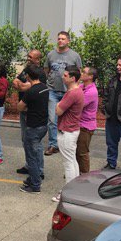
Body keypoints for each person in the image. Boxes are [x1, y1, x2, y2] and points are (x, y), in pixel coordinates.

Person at [45, 32, 82, 156]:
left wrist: (74, 88)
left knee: (67, 119)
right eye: (59, 38)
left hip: (68, 92)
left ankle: (66, 144)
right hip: (52, 91)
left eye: (63, 39)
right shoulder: (51, 54)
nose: (60, 40)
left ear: (68, 41)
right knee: (52, 119)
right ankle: (53, 145)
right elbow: (47, 70)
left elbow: (78, 73)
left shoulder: (74, 56)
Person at [17, 66, 50, 194]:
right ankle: (33, 178)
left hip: (33, 128)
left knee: (31, 157)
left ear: (28, 76)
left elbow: (20, 107)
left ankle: (35, 185)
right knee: (35, 154)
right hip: (43, 126)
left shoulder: (31, 91)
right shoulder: (45, 88)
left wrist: (26, 106)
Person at [54, 65, 85, 196]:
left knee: (68, 163)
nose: (63, 77)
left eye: (65, 75)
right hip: (71, 130)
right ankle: (74, 189)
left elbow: (58, 110)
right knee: (72, 161)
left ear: (73, 78)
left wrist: (57, 104)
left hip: (67, 131)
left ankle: (68, 193)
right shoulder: (76, 91)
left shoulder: (72, 93)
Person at [13, 49, 44, 166]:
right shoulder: (26, 69)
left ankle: (39, 170)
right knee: (25, 140)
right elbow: (16, 82)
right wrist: (22, 85)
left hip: (33, 112)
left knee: (35, 143)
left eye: (31, 57)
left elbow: (23, 87)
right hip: (24, 110)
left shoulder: (40, 73)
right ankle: (29, 165)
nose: (28, 58)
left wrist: (22, 85)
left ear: (38, 59)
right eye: (28, 56)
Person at [75, 66, 99, 174]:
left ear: (90, 76)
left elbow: (78, 104)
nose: (81, 73)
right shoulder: (82, 86)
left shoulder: (92, 92)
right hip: (79, 124)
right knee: (76, 151)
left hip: (85, 127)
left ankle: (84, 177)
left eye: (84, 72)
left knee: (82, 152)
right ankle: (76, 173)